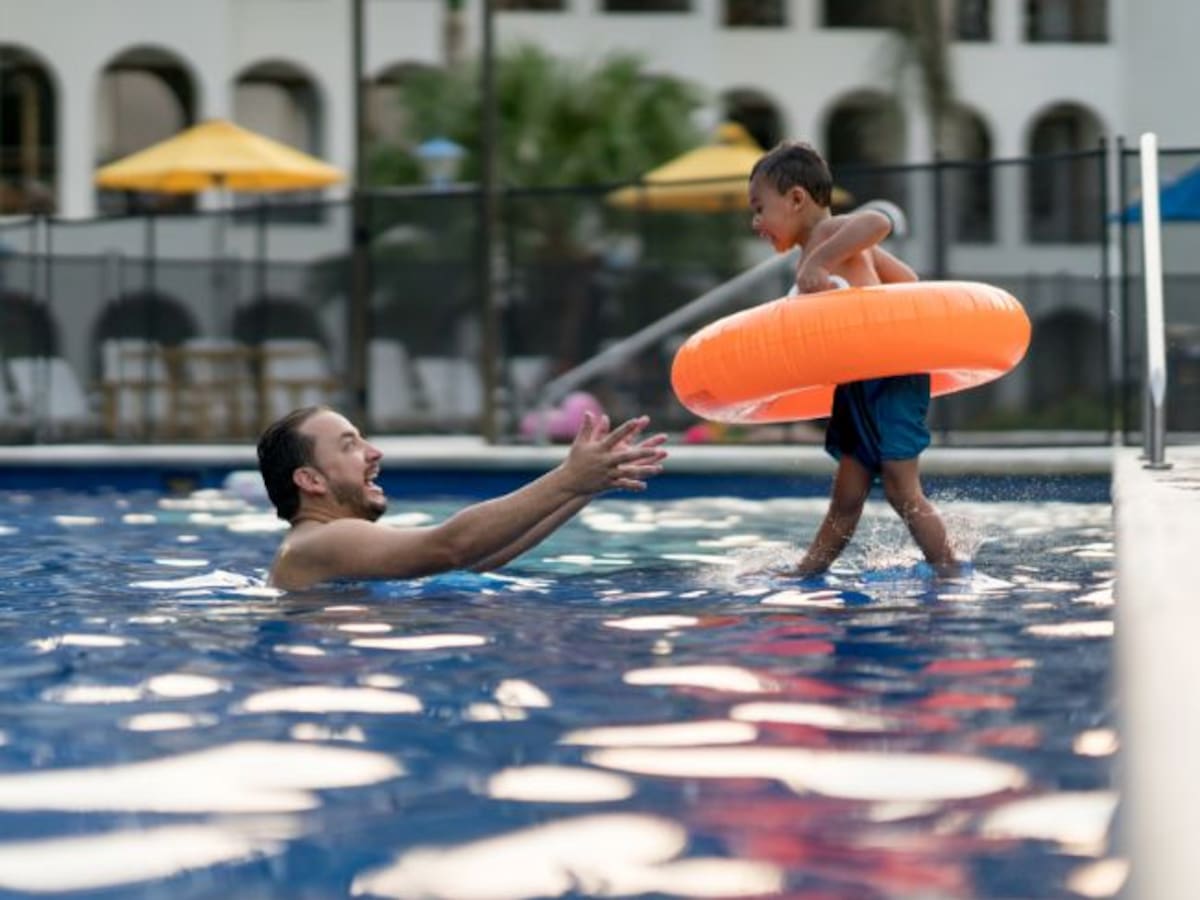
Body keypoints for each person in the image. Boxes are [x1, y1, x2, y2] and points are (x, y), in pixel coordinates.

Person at [747, 141, 959, 576]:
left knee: (902, 489)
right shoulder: (828, 249)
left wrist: (823, 261)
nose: (755, 222)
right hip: (858, 382)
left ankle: (949, 570)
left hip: (891, 377)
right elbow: (909, 281)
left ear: (796, 199)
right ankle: (807, 571)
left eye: (759, 208)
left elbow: (878, 221)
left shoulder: (829, 236)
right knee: (846, 497)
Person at [257, 405, 668, 591]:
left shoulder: (324, 543)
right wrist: (567, 477)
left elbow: (477, 558)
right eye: (349, 446)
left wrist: (582, 485)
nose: (374, 452)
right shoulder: (321, 539)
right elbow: (451, 546)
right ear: (310, 480)